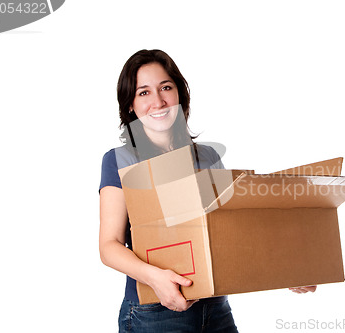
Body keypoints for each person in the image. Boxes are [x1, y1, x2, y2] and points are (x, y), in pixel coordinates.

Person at [99, 49, 316, 332]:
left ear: (179, 94)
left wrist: (286, 268)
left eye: (166, 87)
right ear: (130, 104)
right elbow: (109, 246)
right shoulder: (120, 161)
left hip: (215, 307)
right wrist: (156, 279)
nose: (158, 101)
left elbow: (232, 229)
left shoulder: (208, 157)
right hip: (155, 311)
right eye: (144, 93)